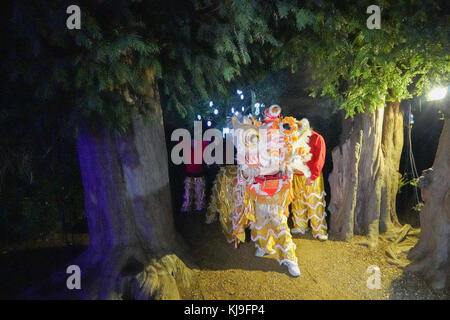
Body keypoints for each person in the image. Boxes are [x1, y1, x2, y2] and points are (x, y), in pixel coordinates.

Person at [289, 118, 328, 241]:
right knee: (298, 202)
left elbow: (320, 158)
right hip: (297, 176)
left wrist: (313, 176)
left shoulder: (317, 138)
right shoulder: (293, 139)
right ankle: (300, 225)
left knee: (314, 202)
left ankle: (319, 230)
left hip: (311, 176)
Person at [181, 138, 209, 213]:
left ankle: (199, 209)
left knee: (200, 195)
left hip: (199, 174)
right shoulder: (186, 145)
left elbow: (206, 144)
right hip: (189, 174)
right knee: (188, 195)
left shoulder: (202, 146)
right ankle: (188, 208)